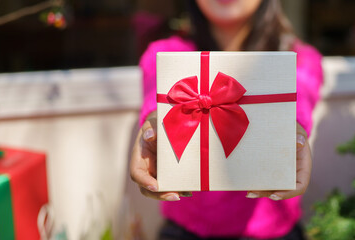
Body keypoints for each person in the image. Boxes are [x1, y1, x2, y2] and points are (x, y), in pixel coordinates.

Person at [129, 0, 323, 239]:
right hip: (186, 232)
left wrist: (292, 130)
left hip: (275, 234)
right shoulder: (168, 52)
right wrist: (155, 123)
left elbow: (300, 95)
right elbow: (157, 90)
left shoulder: (300, 58)